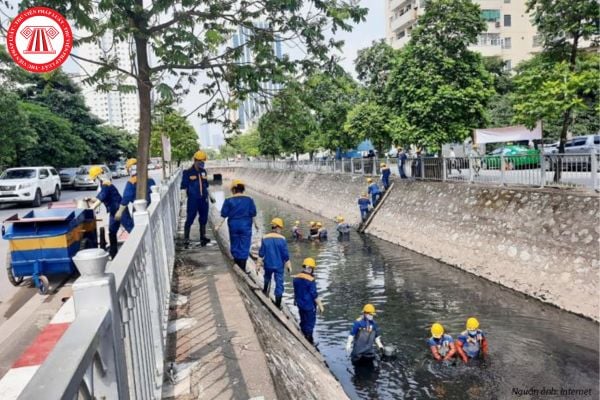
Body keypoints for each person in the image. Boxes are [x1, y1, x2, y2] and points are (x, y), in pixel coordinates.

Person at [86, 165, 133, 259]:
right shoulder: (103, 185)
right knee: (112, 232)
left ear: (98, 177)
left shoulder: (106, 184)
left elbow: (100, 199)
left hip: (120, 210)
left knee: (131, 229)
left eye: (93, 178)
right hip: (113, 211)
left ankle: (139, 247)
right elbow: (100, 197)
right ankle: (113, 253)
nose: (93, 181)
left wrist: (91, 209)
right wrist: (90, 199)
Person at [220, 179, 257, 272]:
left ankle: (237, 265)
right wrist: (256, 225)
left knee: (235, 244)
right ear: (242, 189)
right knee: (244, 245)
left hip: (233, 226)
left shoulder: (228, 200)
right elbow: (253, 213)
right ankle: (243, 268)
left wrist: (218, 225)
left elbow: (224, 214)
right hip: (246, 226)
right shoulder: (249, 199)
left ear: (233, 189)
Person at [180, 151, 215, 246]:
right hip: (193, 200)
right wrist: (183, 198)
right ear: (195, 161)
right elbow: (183, 186)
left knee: (203, 218)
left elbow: (206, 185)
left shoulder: (203, 171)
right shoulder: (187, 172)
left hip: (203, 199)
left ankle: (203, 237)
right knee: (190, 218)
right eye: (200, 161)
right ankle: (186, 238)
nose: (202, 163)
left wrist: (211, 196)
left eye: (203, 161)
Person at [257, 217, 291, 309]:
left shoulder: (264, 238)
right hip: (279, 266)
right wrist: (288, 266)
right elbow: (285, 255)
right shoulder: (282, 239)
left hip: (268, 264)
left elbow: (261, 254)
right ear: (278, 227)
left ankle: (265, 290)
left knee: (267, 277)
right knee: (279, 284)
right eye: (281, 228)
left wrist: (258, 265)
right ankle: (278, 304)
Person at [292, 257, 324, 344]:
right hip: (309, 306)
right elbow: (314, 294)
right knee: (310, 323)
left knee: (303, 320)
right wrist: (320, 305)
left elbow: (295, 291)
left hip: (300, 304)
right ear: (311, 268)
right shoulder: (311, 280)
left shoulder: (296, 278)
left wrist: (295, 300)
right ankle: (310, 341)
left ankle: (304, 335)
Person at [116, 158, 156, 223]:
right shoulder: (149, 178)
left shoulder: (132, 181)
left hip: (139, 208)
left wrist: (120, 211)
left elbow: (126, 197)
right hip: (152, 206)